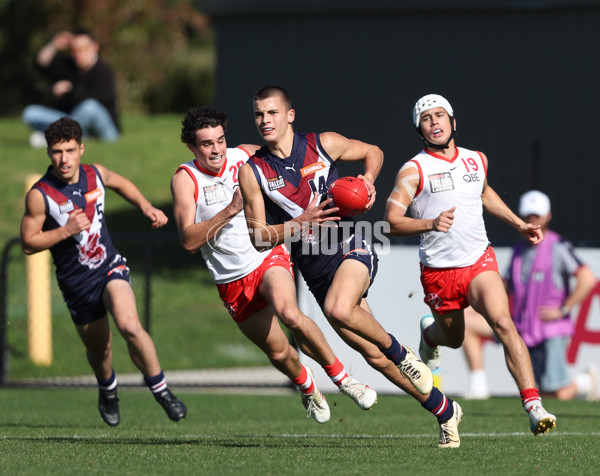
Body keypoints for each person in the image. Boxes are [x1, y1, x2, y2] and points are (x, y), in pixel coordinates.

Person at [239, 85, 463, 448]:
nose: (265, 120)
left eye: (272, 112)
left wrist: (368, 181)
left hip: (350, 245)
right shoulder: (254, 172)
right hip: (314, 271)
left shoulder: (322, 143)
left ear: (290, 115)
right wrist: (300, 223)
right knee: (371, 354)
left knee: (339, 310)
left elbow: (373, 152)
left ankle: (403, 354)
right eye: (259, 114)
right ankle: (445, 411)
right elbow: (258, 237)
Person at [171, 106, 377, 424]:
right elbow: (188, 241)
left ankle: (343, 379)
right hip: (231, 280)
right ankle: (306, 386)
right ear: (192, 148)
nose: (216, 149)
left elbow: (288, 158)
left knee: (291, 314)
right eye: (207, 144)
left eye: (220, 140)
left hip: (267, 256)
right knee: (280, 353)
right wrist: (230, 210)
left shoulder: (246, 157)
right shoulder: (186, 179)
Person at [384, 93, 557, 435]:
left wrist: (518, 224)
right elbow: (390, 220)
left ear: (453, 122)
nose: (434, 122)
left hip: (479, 259)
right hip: (438, 272)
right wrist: (430, 223)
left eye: (440, 116)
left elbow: (484, 193)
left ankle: (534, 406)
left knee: (503, 323)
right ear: (419, 128)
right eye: (426, 118)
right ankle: (428, 335)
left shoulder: (477, 160)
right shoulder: (413, 170)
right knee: (454, 339)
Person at [20, 117, 185, 426]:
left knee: (130, 325)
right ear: (49, 153)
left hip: (109, 266)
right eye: (56, 151)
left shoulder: (95, 174)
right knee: (100, 348)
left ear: (81, 148)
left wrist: (145, 206)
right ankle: (108, 390)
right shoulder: (40, 194)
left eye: (70, 150)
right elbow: (28, 243)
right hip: (76, 283)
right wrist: (65, 230)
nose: (64, 158)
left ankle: (162, 391)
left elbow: (120, 183)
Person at [461, 190, 599, 401]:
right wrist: (476, 306)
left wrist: (563, 309)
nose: (533, 219)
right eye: (529, 215)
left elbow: (587, 278)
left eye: (537, 215)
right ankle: (478, 386)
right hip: (520, 326)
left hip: (548, 330)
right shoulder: (519, 249)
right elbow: (505, 286)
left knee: (556, 394)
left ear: (548, 216)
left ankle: (586, 381)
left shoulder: (558, 246)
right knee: (466, 322)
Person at [22, 29, 120, 148]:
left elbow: (102, 99)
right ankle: (77, 136)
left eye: (82, 49)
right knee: (31, 112)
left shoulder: (103, 71)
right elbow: (41, 63)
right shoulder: (69, 66)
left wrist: (70, 90)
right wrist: (55, 45)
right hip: (71, 121)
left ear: (94, 47)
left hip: (105, 130)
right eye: (74, 49)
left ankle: (56, 138)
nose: (78, 53)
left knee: (89, 107)